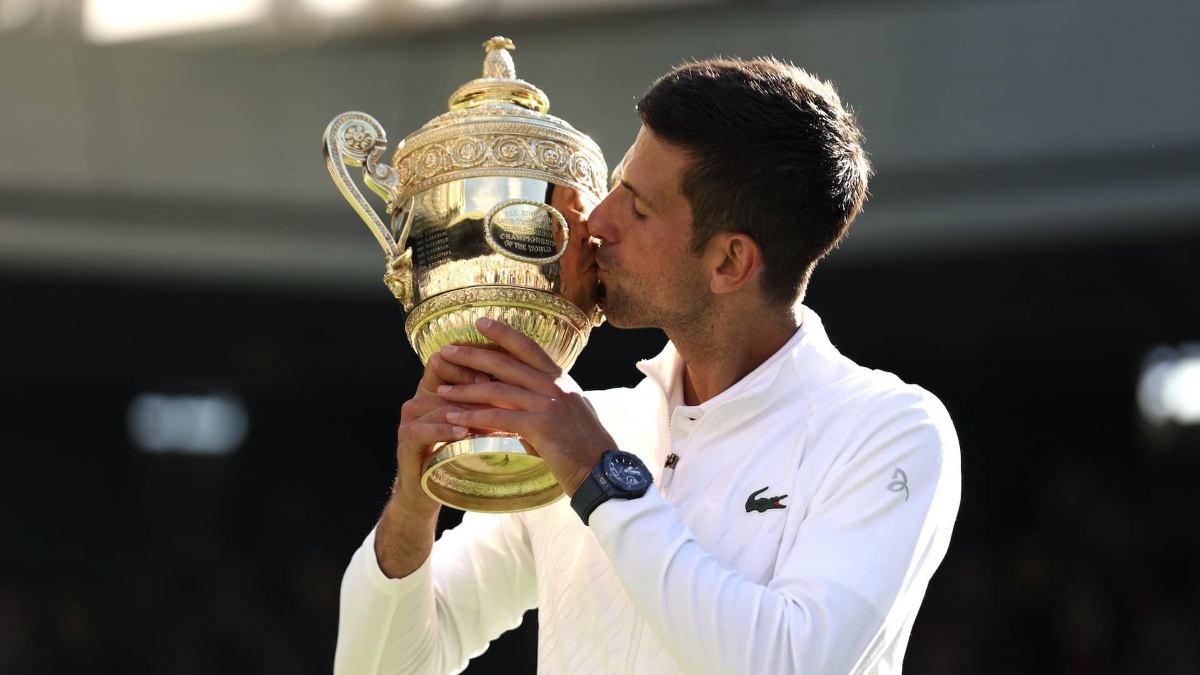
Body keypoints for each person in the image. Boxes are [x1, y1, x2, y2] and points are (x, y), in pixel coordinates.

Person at [334, 56, 961, 675]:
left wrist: (599, 475)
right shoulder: (586, 428)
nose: (596, 221)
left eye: (637, 207)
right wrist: (414, 508)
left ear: (729, 264)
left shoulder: (890, 431)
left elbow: (789, 663)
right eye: (615, 185)